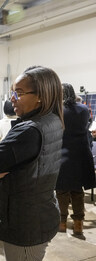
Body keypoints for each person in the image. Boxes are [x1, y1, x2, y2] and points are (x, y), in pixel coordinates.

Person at [0, 66, 64, 261]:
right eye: (11, 93)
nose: (12, 99)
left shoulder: (28, 131)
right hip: (40, 212)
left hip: (24, 222)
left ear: (40, 97)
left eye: (19, 93)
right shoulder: (52, 121)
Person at [55, 83, 95, 238]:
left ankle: (62, 223)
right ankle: (78, 226)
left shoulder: (58, 110)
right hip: (80, 155)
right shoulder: (84, 109)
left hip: (62, 155)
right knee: (78, 191)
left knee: (62, 191)